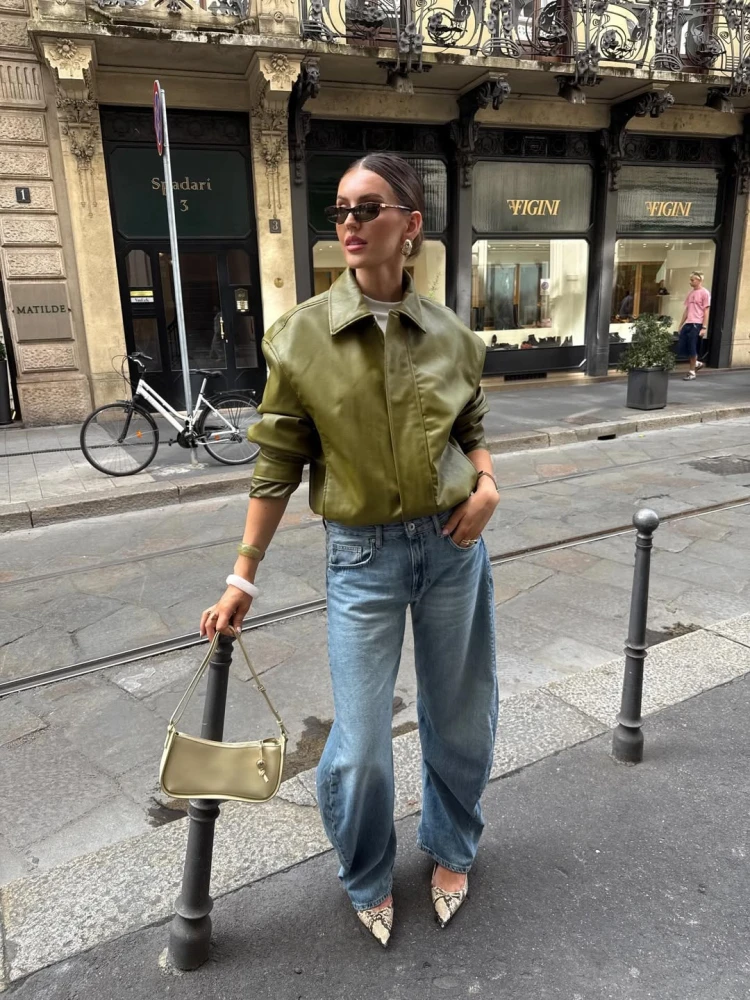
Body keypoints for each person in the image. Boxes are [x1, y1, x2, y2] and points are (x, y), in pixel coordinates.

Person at [200, 153, 500, 948]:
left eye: (369, 208)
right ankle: (367, 871)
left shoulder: (451, 335)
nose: (351, 224)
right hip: (362, 558)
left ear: (411, 224)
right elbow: (276, 465)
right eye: (340, 210)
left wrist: (487, 483)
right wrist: (241, 578)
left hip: (452, 547)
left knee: (460, 716)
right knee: (361, 747)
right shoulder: (300, 337)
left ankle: (452, 846)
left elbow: (471, 427)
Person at [677, 271, 710, 380]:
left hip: (697, 323)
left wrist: (704, 327)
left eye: (692, 280)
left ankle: (692, 372)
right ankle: (696, 363)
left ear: (699, 280)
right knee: (683, 346)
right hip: (689, 323)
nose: (690, 282)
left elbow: (706, 311)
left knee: (692, 347)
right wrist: (681, 324)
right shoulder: (690, 293)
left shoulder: (705, 293)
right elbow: (687, 309)